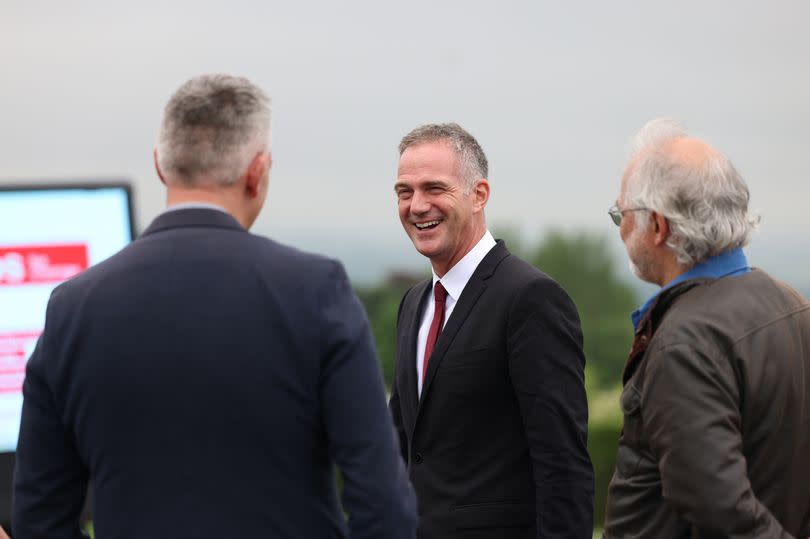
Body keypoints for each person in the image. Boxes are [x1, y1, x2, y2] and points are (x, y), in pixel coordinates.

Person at [13, 74, 417, 539]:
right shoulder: (316, 291)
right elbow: (385, 509)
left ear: (161, 166)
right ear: (257, 172)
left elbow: (40, 519)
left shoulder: (71, 308)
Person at [603, 119, 810, 538]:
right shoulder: (792, 304)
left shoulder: (685, 341)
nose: (622, 228)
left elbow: (721, 512)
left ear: (658, 227)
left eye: (621, 214)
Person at [389, 122, 594, 538]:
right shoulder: (414, 304)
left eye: (435, 188)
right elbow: (402, 450)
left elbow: (563, 466)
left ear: (479, 194)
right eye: (404, 192)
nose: (417, 205)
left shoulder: (531, 298)